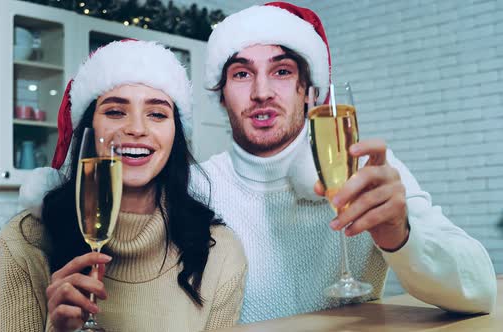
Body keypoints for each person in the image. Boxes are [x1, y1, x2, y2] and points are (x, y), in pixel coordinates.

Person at [191, 1, 497, 324]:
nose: (262, 92)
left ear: (309, 90)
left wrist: (402, 237)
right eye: (241, 74)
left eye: (282, 71)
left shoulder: (365, 171)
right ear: (221, 94)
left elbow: (481, 289)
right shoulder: (195, 187)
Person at [0, 40, 247, 332]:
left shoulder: (220, 252)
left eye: (157, 114)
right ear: (89, 128)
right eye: (115, 112)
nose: (137, 129)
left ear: (176, 134)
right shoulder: (25, 242)